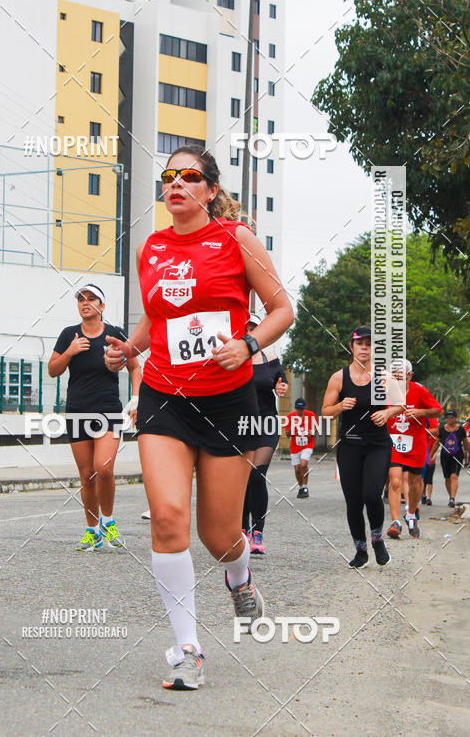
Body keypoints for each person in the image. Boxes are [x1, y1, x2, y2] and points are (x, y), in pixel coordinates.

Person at [104, 145, 293, 689]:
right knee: (166, 517)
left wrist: (248, 343)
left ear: (210, 190)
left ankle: (239, 576)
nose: (177, 184)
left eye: (190, 177)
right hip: (164, 395)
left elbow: (283, 308)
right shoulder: (153, 248)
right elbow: (155, 317)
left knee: (220, 535)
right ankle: (188, 649)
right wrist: (128, 348)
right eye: (169, 177)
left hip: (227, 401)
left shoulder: (235, 239)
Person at [48, 285, 141, 551]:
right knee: (87, 475)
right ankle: (92, 530)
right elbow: (53, 370)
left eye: (91, 299)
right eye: (81, 299)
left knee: (104, 467)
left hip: (108, 410)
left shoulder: (115, 334)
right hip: (77, 409)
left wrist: (135, 399)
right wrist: (70, 352)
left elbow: (135, 368)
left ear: (102, 306)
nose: (85, 303)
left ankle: (108, 522)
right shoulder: (69, 335)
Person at [321, 327, 405, 569]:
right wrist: (340, 406)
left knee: (371, 495)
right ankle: (360, 549)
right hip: (350, 446)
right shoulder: (339, 377)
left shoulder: (384, 377)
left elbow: (400, 403)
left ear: (374, 349)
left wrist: (387, 412)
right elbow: (326, 411)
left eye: (369, 344)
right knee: (353, 502)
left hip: (377, 445)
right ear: (352, 347)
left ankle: (377, 538)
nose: (365, 348)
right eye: (360, 344)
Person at [241, 313, 288, 554]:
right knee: (241, 480)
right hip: (240, 425)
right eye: (246, 326)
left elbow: (282, 383)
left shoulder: (272, 360)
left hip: (266, 424)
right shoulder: (233, 360)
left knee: (257, 475)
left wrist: (281, 388)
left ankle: (257, 532)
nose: (250, 330)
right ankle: (241, 530)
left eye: (254, 327)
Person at [385, 361, 442, 539]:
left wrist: (420, 412)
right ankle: (395, 522)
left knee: (416, 482)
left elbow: (438, 411)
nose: (398, 378)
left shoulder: (419, 391)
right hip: (393, 444)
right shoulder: (385, 393)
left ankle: (411, 514)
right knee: (395, 481)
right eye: (394, 375)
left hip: (416, 445)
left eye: (401, 375)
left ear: (410, 375)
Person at [429, 410, 470, 507]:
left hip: (457, 456)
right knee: (447, 478)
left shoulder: (460, 430)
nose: (449, 419)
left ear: (455, 418)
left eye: (452, 417)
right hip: (445, 457)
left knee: (454, 476)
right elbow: (437, 443)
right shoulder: (442, 429)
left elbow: (466, 443)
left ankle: (452, 498)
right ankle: (450, 496)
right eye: (447, 417)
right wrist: (431, 455)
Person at [285, 398, 319, 499]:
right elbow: (287, 434)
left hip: (307, 444)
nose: (300, 411)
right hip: (295, 446)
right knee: (297, 468)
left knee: (303, 464)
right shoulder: (290, 417)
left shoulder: (311, 415)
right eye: (298, 409)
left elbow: (317, 428)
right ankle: (300, 488)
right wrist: (292, 426)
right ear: (295, 408)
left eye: (301, 409)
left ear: (304, 408)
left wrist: (311, 432)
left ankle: (305, 487)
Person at [421, 418, 439, 506]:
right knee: (423, 479)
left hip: (431, 460)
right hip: (423, 460)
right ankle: (423, 495)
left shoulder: (434, 438)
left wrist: (433, 456)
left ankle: (429, 497)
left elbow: (436, 448)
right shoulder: (422, 437)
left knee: (429, 479)